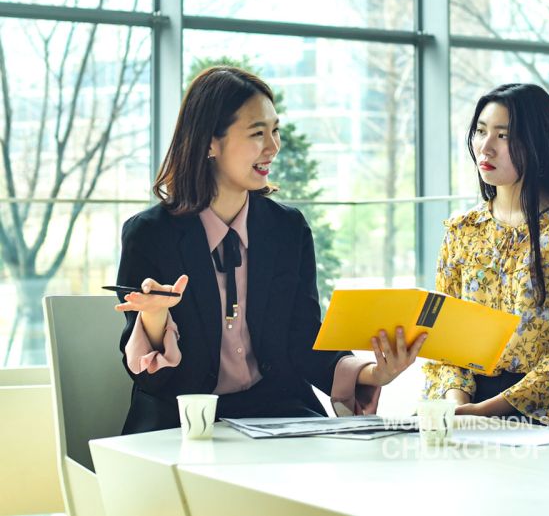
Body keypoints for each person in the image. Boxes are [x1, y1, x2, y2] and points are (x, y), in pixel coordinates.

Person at [115, 66, 425, 434]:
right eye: (257, 133)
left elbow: (304, 340)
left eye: (274, 130)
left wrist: (374, 372)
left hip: (277, 412)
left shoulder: (287, 230)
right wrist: (154, 318)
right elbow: (153, 381)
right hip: (185, 422)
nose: (273, 146)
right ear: (209, 142)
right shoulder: (150, 235)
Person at [422, 83, 549, 428]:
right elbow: (443, 341)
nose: (486, 147)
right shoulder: (462, 231)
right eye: (481, 131)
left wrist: (483, 413)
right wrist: (457, 405)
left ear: (537, 144)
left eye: (503, 136)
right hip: (467, 405)